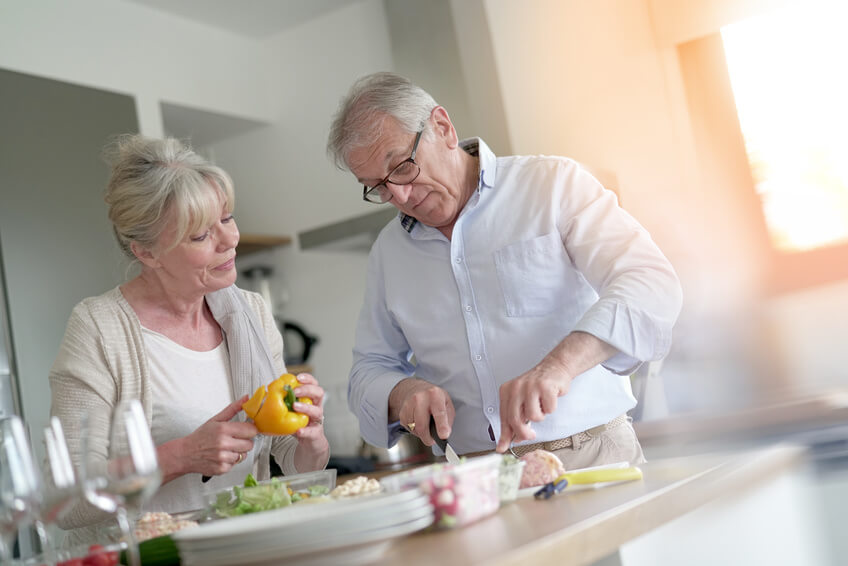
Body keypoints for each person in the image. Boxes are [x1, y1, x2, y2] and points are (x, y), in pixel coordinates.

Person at [327, 72, 682, 470]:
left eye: (403, 167)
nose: (401, 196)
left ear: (442, 127)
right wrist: (401, 391)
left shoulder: (552, 184)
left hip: (594, 456)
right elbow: (366, 372)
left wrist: (559, 366)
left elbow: (650, 283)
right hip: (478, 479)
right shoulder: (388, 253)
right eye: (377, 186)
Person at [49, 134, 329, 543]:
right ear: (147, 253)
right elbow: (65, 498)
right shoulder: (99, 328)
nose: (230, 240)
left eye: (228, 218)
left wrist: (313, 437)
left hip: (247, 549)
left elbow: (298, 464)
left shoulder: (250, 314)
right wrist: (180, 456)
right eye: (200, 236)